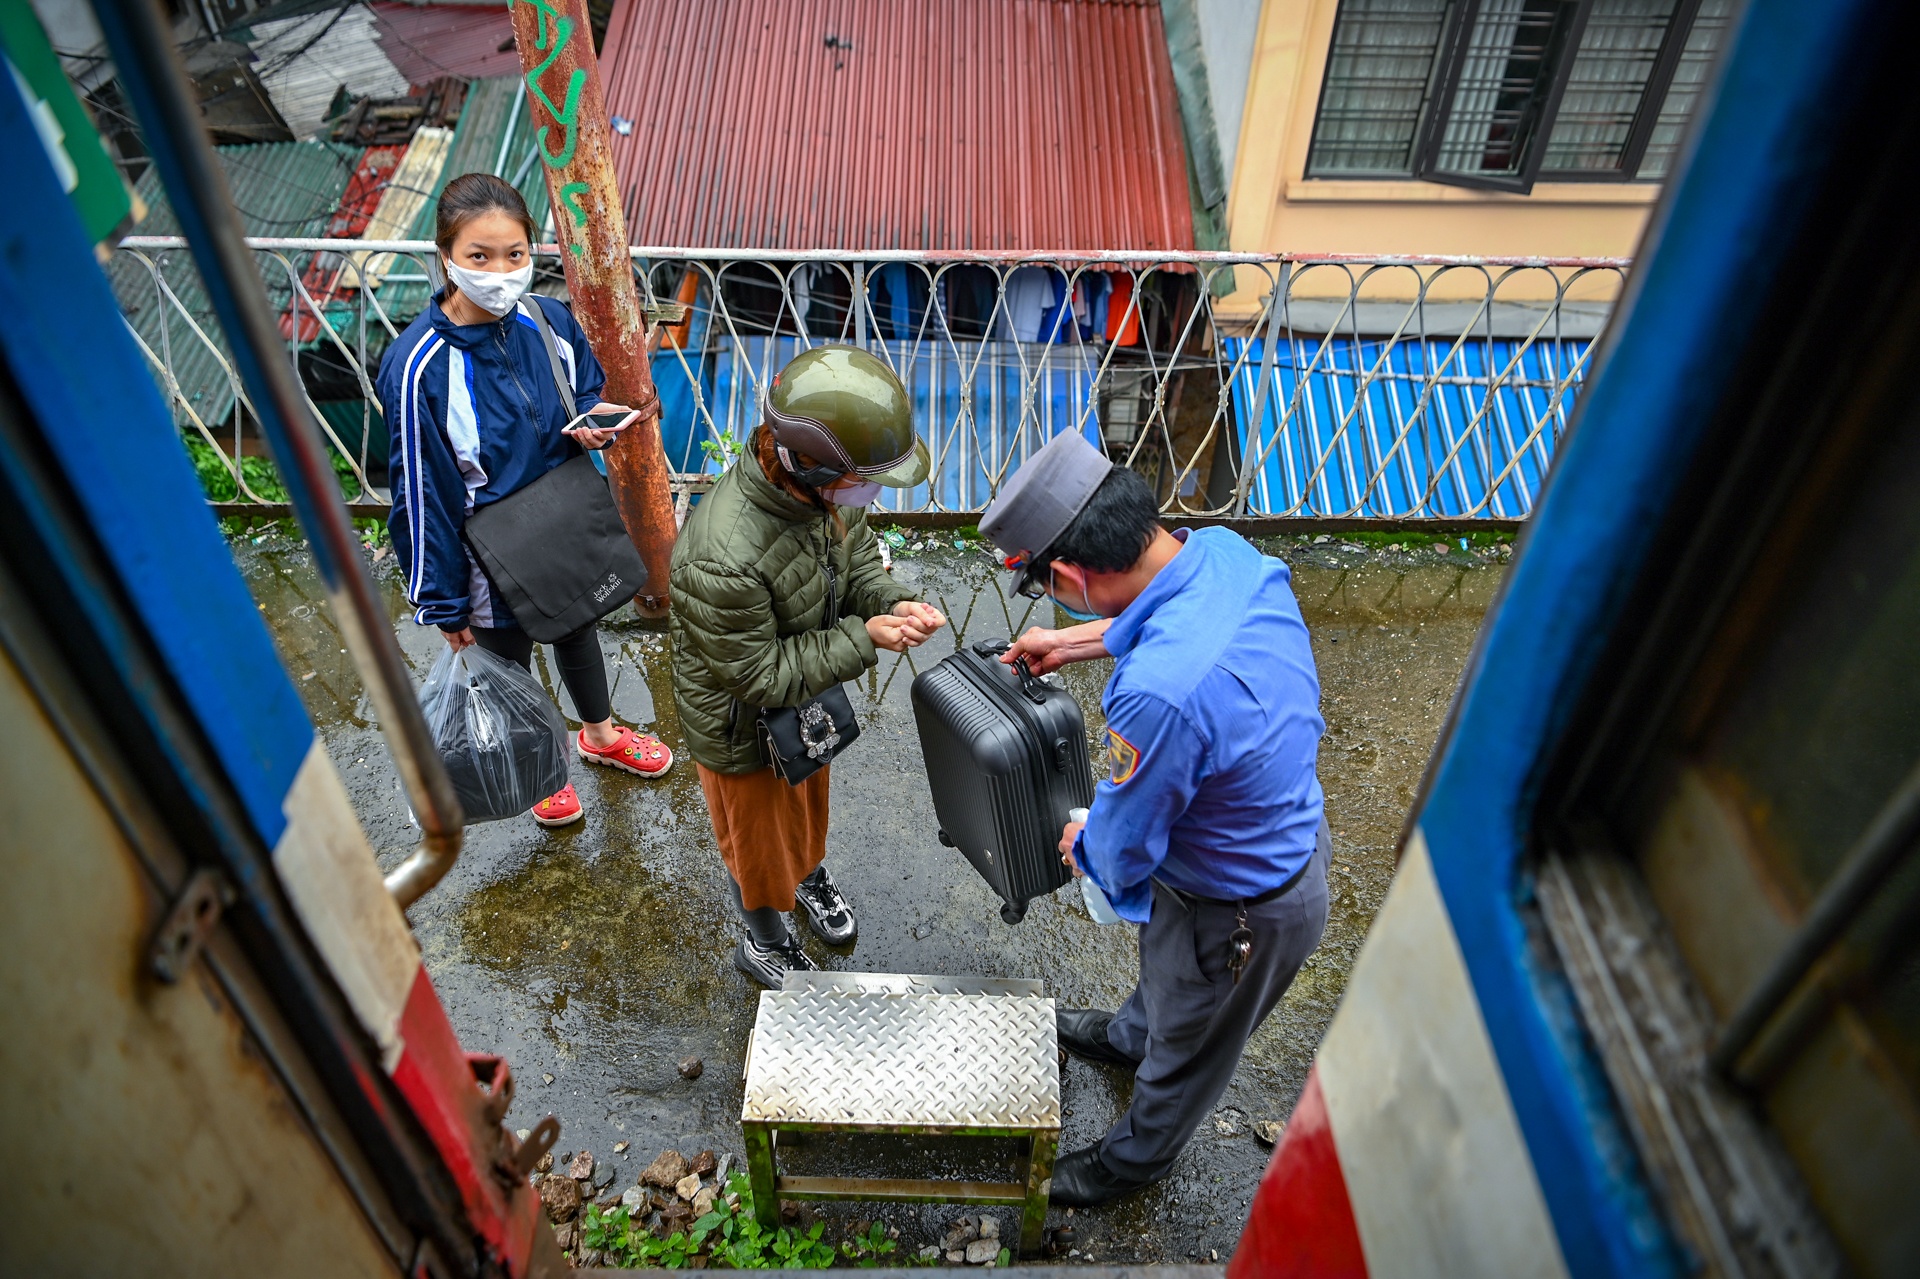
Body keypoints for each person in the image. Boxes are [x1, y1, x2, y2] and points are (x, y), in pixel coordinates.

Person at [981, 431, 1330, 1207]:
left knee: (1189, 1048)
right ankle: (1129, 1035)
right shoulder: (1223, 552)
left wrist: (1084, 846)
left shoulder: (1157, 695)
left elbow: (1126, 845)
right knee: (1171, 978)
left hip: (1240, 907)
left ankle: (1132, 1160)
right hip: (1272, 834)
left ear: (1068, 574)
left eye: (1049, 590)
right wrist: (1068, 641)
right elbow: (1167, 615)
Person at [377, 173, 672, 828]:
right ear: (446, 257)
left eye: (514, 254)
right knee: (507, 656)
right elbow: (420, 495)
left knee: (577, 626)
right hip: (490, 550)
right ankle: (544, 772)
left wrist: (594, 423)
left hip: (561, 520)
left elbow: (584, 389)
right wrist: (442, 601)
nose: (500, 273)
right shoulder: (418, 366)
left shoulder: (547, 318)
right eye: (479, 256)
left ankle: (600, 735)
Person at [670, 345, 947, 987]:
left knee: (804, 809)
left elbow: (856, 560)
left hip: (804, 695)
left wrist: (889, 602)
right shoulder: (723, 554)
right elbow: (758, 675)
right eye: (864, 480)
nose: (869, 494)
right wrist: (863, 636)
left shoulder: (828, 495)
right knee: (756, 847)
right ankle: (764, 940)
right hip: (739, 724)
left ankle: (808, 876)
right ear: (811, 465)